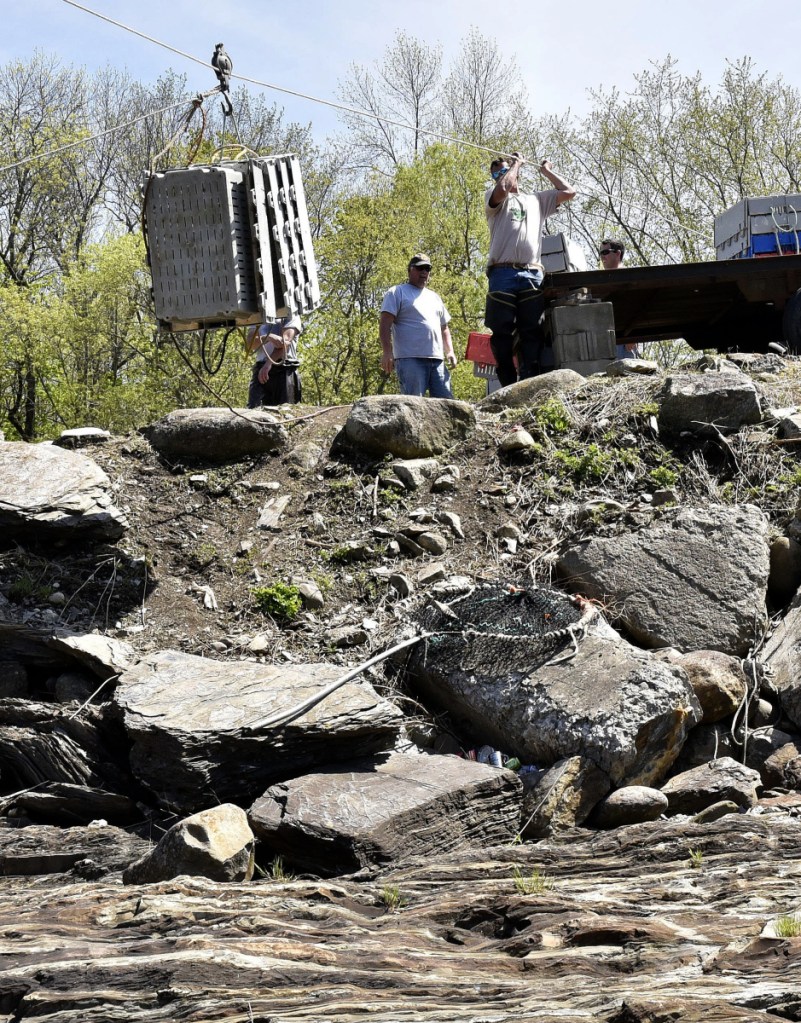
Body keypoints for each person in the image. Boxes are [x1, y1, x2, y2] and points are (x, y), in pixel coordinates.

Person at [485, 153, 576, 387]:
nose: (500, 175)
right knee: (501, 331)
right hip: (502, 272)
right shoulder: (495, 198)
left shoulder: (536, 200)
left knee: (532, 331)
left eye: (502, 170)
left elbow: (569, 192)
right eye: (496, 173)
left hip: (531, 272)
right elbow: (504, 188)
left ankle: (529, 382)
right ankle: (507, 382)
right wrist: (515, 165)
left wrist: (546, 172)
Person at [379, 253, 457, 398]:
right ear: (410, 270)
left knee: (446, 404)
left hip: (437, 360)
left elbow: (444, 327)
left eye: (427, 269)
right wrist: (387, 352)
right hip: (410, 359)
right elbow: (384, 325)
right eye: (420, 268)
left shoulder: (434, 297)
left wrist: (450, 352)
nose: (424, 272)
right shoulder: (397, 292)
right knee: (414, 404)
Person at [246, 315, 303, 407]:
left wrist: (269, 363)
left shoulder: (291, 315)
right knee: (254, 408)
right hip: (261, 367)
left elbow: (285, 342)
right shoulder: (258, 316)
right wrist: (268, 337)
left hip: (285, 370)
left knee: (285, 410)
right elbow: (250, 343)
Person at [599, 238, 638, 359]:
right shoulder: (600, 281)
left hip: (624, 343)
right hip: (606, 340)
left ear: (618, 253)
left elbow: (636, 308)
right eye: (600, 253)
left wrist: (633, 336)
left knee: (626, 375)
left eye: (605, 252)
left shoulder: (629, 278)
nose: (602, 257)